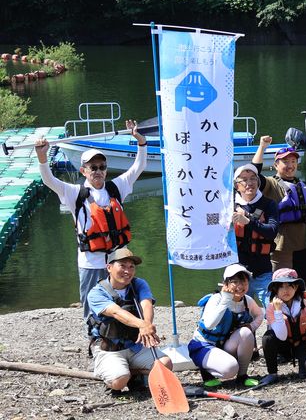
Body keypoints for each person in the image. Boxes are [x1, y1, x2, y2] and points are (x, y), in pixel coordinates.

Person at [35, 120, 147, 318]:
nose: (98, 171)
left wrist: (141, 142)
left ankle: (120, 339)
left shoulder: (116, 187)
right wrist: (42, 158)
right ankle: (94, 340)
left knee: (120, 303)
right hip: (91, 262)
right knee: (92, 305)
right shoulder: (73, 193)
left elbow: (139, 166)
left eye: (102, 167)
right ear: (83, 171)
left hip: (116, 262)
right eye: (93, 167)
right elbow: (49, 180)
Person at [86, 248, 171, 392]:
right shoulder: (96, 293)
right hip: (110, 349)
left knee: (166, 363)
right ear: (109, 267)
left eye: (131, 267)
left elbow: (146, 303)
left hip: (135, 346)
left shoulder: (139, 284)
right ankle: (114, 373)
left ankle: (133, 373)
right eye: (122, 266)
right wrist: (142, 324)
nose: (128, 271)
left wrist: (147, 325)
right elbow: (117, 312)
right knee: (119, 382)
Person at [252, 137, 306, 285]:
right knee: (282, 285)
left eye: (293, 161)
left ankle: (301, 308)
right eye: (285, 162)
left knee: (301, 285)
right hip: (281, 247)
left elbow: (304, 209)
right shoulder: (271, 183)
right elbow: (254, 173)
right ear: (276, 164)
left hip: (302, 245)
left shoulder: (302, 184)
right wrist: (262, 147)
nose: (290, 165)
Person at [188, 264, 264, 388]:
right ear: (226, 284)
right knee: (230, 369)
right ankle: (206, 372)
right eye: (235, 282)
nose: (240, 287)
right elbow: (209, 324)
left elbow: (259, 315)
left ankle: (242, 376)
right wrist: (226, 300)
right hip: (203, 345)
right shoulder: (216, 299)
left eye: (244, 282)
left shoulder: (247, 301)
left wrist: (252, 326)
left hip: (225, 344)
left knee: (246, 332)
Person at [260, 268, 306, 386]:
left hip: (303, 342)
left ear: (296, 287)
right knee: (267, 338)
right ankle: (272, 374)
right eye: (281, 286)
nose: (286, 290)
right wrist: (278, 311)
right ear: (275, 289)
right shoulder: (271, 308)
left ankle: (304, 366)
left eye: (290, 285)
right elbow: (281, 336)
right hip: (284, 344)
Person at [232, 163, 279, 308]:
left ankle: (273, 331)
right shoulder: (229, 205)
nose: (249, 183)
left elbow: (272, 231)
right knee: (238, 312)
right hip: (237, 272)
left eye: (253, 178)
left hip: (262, 271)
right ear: (237, 185)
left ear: (258, 182)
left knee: (273, 307)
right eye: (244, 180)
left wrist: (249, 221)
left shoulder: (268, 204)